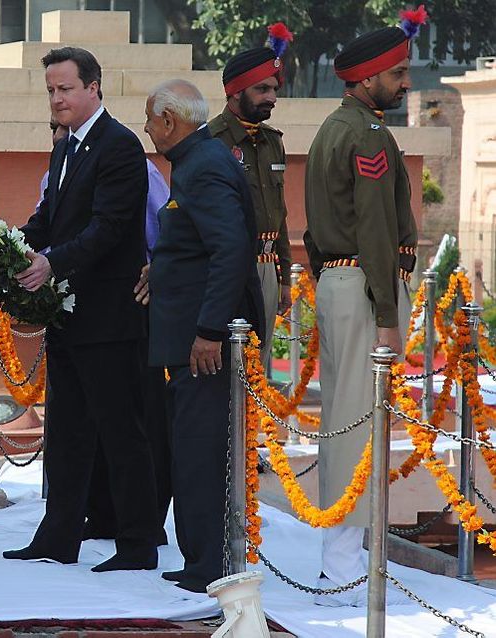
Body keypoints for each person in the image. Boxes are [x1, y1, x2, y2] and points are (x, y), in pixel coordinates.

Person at [4, 46, 162, 572]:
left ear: (94, 87)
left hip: (112, 317)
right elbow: (51, 216)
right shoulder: (64, 146)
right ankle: (57, 537)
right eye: (50, 90)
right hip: (68, 316)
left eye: (65, 89)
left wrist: (51, 265)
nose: (57, 98)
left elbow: (110, 229)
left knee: (122, 434)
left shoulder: (120, 147)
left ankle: (138, 545)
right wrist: (8, 246)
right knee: (67, 432)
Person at [303, 6, 426, 606]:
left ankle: (341, 560)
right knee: (355, 424)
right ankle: (341, 567)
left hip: (341, 281)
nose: (405, 84)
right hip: (364, 286)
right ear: (367, 78)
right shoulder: (367, 134)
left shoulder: (335, 127)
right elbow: (376, 228)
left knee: (346, 420)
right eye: (398, 74)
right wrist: (385, 313)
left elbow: (313, 231)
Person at [142, 79, 264, 593]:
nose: (146, 130)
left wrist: (210, 330)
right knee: (187, 449)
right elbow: (194, 245)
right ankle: (197, 561)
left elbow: (230, 250)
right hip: (186, 336)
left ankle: (206, 568)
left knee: (198, 453)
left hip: (203, 344)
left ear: (170, 121)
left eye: (150, 120)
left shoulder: (205, 164)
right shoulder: (196, 162)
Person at [209, 23, 294, 373]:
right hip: (230, 269)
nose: (272, 97)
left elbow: (281, 214)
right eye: (262, 89)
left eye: (274, 88)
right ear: (234, 92)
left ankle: (249, 429)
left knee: (258, 369)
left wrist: (285, 276)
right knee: (229, 367)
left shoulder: (272, 140)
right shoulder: (212, 142)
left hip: (268, 267)